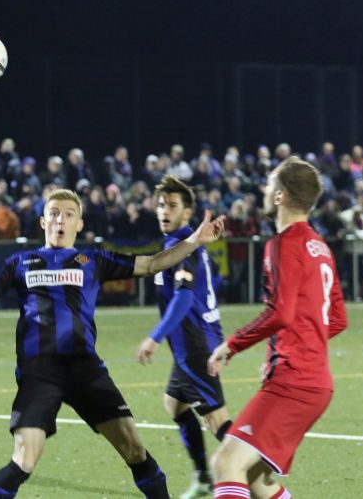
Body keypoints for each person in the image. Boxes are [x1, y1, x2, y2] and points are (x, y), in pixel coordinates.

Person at [0, 188, 225, 499]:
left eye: (68, 214)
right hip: (39, 372)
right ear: (43, 221)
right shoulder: (19, 262)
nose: (61, 219)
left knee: (134, 449)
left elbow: (153, 264)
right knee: (24, 459)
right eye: (55, 214)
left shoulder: (93, 260)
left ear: (79, 224)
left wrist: (194, 240)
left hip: (86, 369)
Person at [207, 157, 348, 499]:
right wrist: (292, 346)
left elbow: (281, 312)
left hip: (295, 382)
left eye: (270, 184)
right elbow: (337, 318)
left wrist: (232, 345)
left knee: (226, 464)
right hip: (314, 382)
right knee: (255, 480)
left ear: (281, 196)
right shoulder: (319, 246)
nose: (264, 189)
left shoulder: (283, 244)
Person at [136, 175, 232, 499]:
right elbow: (215, 280)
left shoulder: (181, 247)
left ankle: (260, 477)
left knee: (218, 420)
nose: (164, 210)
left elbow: (183, 298)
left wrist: (155, 336)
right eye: (161, 205)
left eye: (172, 206)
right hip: (195, 339)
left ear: (187, 213)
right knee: (174, 403)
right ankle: (205, 478)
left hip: (194, 344)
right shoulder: (188, 244)